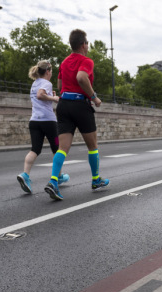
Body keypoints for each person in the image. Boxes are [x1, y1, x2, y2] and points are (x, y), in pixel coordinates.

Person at [44, 29, 108, 201]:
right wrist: (94, 97)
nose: (88, 46)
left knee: (63, 148)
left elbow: (59, 82)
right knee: (92, 145)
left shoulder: (64, 62)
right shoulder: (86, 61)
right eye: (87, 43)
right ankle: (95, 180)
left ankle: (53, 181)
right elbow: (81, 77)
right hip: (80, 104)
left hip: (64, 104)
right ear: (83, 45)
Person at [17, 60, 69, 194]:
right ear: (47, 71)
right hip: (48, 122)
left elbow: (40, 95)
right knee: (57, 148)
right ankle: (58, 176)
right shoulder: (46, 83)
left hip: (34, 121)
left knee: (35, 149)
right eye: (51, 71)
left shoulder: (34, 84)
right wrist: (55, 99)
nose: (51, 74)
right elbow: (41, 95)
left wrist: (49, 97)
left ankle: (25, 175)